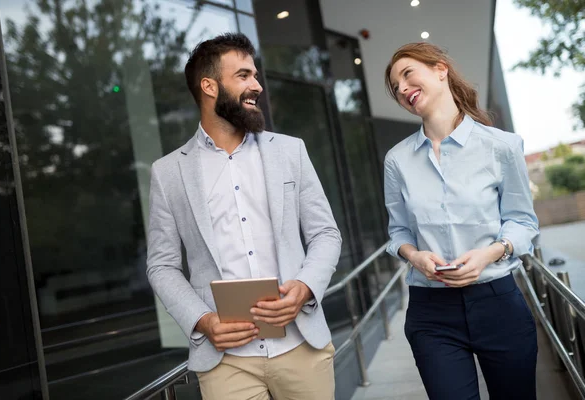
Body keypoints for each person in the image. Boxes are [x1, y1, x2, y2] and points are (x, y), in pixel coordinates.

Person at [146, 33, 341, 400]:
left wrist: (306, 287)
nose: (257, 85)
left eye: (255, 75)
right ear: (209, 86)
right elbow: (162, 265)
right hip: (225, 363)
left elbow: (326, 234)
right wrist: (203, 322)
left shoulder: (290, 151)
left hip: (302, 347)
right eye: (244, 76)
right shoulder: (168, 172)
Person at [383, 42, 539, 400]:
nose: (402, 88)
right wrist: (413, 255)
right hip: (431, 312)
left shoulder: (502, 146)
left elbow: (523, 222)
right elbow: (398, 231)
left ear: (441, 70)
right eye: (395, 88)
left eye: (408, 75)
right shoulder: (397, 160)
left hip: (497, 302)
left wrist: (492, 253)